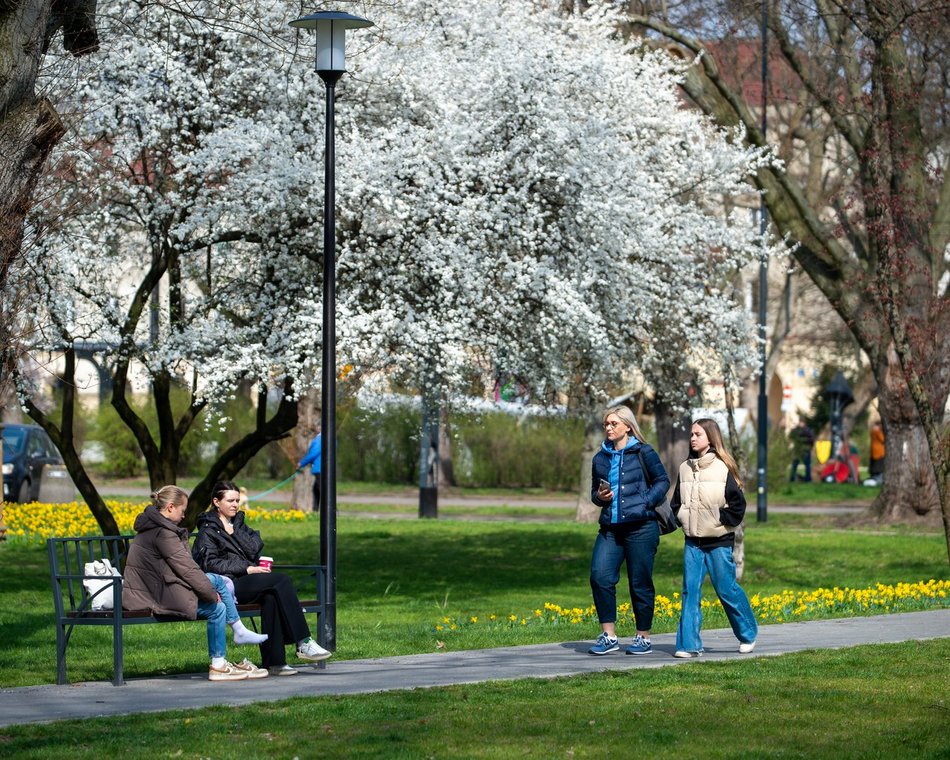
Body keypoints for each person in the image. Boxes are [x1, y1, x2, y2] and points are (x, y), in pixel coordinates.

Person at [122, 485, 269, 681]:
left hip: (158, 589)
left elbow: (182, 570)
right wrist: (209, 594)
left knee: (218, 601)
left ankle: (221, 660)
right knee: (217, 595)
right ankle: (231, 643)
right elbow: (188, 570)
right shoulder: (164, 534)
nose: (184, 516)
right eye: (182, 510)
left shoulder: (154, 527)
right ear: (170, 507)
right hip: (155, 596)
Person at [192, 480, 332, 676]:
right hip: (228, 585)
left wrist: (235, 532)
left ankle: (275, 663)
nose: (235, 505)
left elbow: (255, 547)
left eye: (237, 500)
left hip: (248, 580)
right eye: (230, 501)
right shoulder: (207, 531)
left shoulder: (238, 523)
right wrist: (247, 568)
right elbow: (210, 564)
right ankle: (304, 641)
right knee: (281, 581)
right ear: (216, 502)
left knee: (271, 597)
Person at [670, 418, 757, 658]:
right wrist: (680, 517)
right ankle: (688, 645)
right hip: (692, 543)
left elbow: (738, 507)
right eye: (691, 434)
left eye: (698, 434)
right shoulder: (685, 468)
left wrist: (717, 517)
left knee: (726, 589)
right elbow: (676, 503)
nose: (692, 438)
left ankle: (748, 633)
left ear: (711, 438)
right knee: (690, 592)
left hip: (719, 542)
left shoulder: (723, 468)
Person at [588, 406, 670, 656]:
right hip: (610, 529)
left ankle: (643, 637)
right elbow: (594, 493)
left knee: (639, 582)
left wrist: (645, 501)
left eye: (614, 423)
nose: (609, 428)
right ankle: (609, 636)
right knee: (599, 576)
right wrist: (600, 496)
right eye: (606, 424)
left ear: (628, 426)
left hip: (641, 528)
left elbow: (663, 481)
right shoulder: (600, 458)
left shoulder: (644, 452)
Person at [298, 430, 322, 510]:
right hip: (326, 469)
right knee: (316, 489)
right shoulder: (330, 439)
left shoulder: (319, 440)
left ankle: (327, 509)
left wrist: (301, 463)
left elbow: (313, 454)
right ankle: (315, 509)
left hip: (319, 468)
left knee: (320, 489)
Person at [865, 420, 885, 486]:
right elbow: (883, 439)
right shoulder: (877, 431)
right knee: (878, 467)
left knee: (875, 466)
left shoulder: (873, 431)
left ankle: (874, 478)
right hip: (879, 452)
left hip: (875, 451)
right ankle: (877, 479)